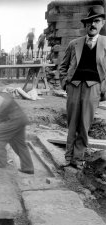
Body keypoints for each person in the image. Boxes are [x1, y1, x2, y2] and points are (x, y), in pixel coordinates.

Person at [59, 5, 106, 170]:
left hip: (93, 88)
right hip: (74, 86)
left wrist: (103, 89)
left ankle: (78, 159)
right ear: (85, 25)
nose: (92, 25)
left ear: (102, 23)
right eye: (89, 22)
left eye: (96, 21)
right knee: (72, 124)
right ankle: (68, 158)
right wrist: (65, 83)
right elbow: (63, 66)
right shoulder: (74, 44)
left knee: (85, 125)